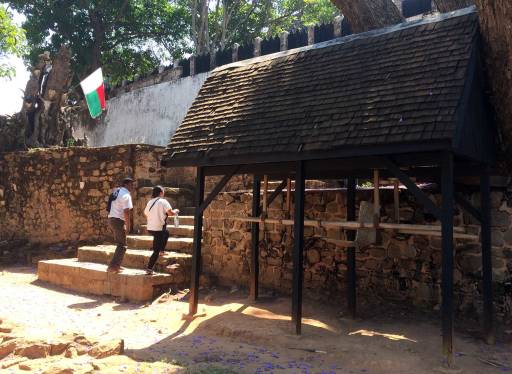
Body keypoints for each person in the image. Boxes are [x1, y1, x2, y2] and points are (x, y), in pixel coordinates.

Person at [144, 185, 179, 275]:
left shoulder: (150, 202)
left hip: (150, 227)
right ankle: (149, 268)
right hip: (158, 228)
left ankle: (162, 251)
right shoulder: (163, 201)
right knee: (156, 250)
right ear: (161, 192)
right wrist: (176, 211)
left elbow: (146, 213)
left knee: (166, 233)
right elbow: (170, 213)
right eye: (163, 191)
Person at [107, 177, 134, 272]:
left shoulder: (116, 191)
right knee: (122, 245)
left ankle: (116, 265)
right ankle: (113, 267)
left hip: (112, 219)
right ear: (126, 185)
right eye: (131, 184)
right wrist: (128, 226)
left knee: (120, 243)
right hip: (118, 220)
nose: (132, 186)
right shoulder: (126, 194)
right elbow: (126, 211)